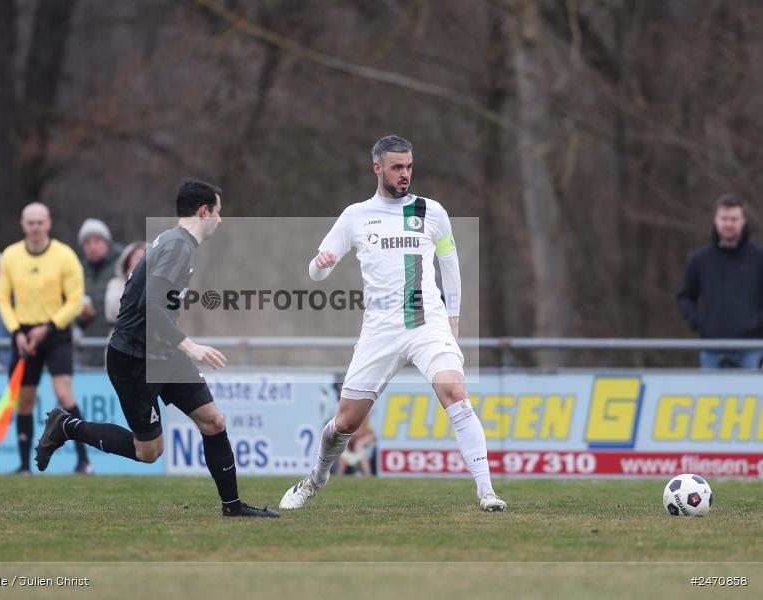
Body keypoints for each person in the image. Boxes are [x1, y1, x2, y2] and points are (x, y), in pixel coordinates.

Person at [280, 135, 506, 512]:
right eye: (397, 167)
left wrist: (453, 320)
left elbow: (450, 265)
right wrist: (320, 265)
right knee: (346, 422)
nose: (405, 174)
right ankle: (316, 478)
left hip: (427, 323)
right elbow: (316, 272)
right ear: (378, 168)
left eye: (409, 167)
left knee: (455, 392)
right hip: (380, 331)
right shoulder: (355, 216)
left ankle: (486, 491)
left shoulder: (431, 212)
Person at [34, 180, 278, 518]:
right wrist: (188, 345)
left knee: (213, 421)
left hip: (161, 352)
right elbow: (150, 304)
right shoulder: (178, 246)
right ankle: (66, 426)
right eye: (218, 212)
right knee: (148, 452)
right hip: (133, 358)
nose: (220, 220)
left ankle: (232, 507)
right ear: (203, 211)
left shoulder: (175, 241)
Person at [0, 203, 93, 475]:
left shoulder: (65, 256)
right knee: (24, 399)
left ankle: (84, 461)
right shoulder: (10, 256)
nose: (36, 227)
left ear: (49, 224)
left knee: (63, 393)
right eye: (31, 223)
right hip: (24, 335)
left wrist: (49, 327)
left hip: (56, 333)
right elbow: (2, 297)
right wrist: (16, 331)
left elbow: (75, 300)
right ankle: (24, 466)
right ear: (22, 224)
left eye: (40, 222)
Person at [678, 193, 763, 369]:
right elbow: (685, 296)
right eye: (724, 218)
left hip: (753, 349)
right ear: (715, 220)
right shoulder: (700, 259)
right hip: (712, 350)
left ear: (743, 221)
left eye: (734, 219)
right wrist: (699, 322)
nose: (728, 224)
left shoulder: (759, 257)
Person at [76, 218, 122, 365]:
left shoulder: (123, 265)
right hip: (88, 347)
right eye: (87, 242)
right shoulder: (78, 270)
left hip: (118, 345)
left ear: (107, 242)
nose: (92, 247)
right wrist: (81, 316)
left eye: (97, 241)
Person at [104, 242, 147, 324]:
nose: (142, 261)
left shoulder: (155, 284)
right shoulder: (115, 284)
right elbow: (115, 311)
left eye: (145, 257)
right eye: (138, 257)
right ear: (127, 261)